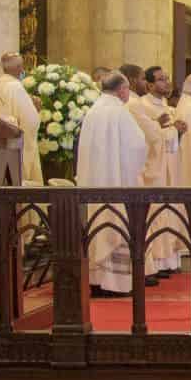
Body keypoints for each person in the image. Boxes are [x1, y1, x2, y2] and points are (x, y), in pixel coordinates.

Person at [76, 72, 149, 298]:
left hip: (93, 182)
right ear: (121, 90)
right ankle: (115, 284)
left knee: (98, 225)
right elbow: (137, 146)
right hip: (116, 181)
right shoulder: (119, 111)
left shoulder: (93, 111)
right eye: (127, 89)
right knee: (115, 223)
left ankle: (96, 280)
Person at [133, 66, 182, 275]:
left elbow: (168, 137)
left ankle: (169, 259)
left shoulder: (166, 105)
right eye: (161, 80)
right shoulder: (142, 106)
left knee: (170, 211)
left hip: (169, 165)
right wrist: (172, 130)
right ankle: (156, 261)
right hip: (154, 167)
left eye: (167, 78)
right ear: (150, 85)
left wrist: (178, 132)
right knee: (156, 212)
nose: (167, 83)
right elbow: (148, 138)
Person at [0, 53, 44, 183]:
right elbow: (30, 121)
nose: (23, 70)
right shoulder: (15, 86)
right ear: (18, 67)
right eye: (21, 66)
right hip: (17, 144)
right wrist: (37, 110)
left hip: (2, 143)